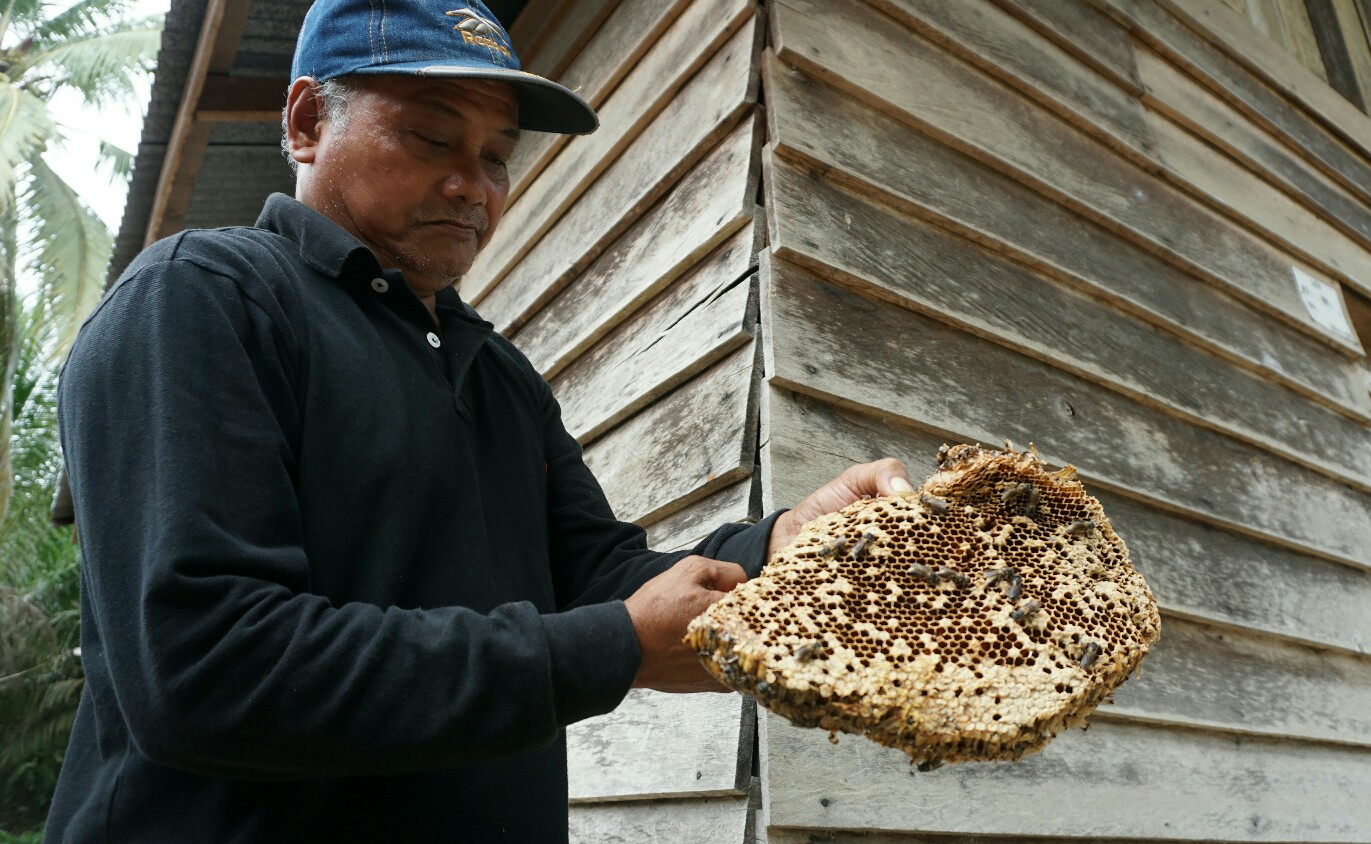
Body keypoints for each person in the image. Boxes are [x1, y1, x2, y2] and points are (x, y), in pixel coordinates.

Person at [46, 1, 914, 840]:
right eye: (431, 136)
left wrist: (782, 548)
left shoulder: (494, 373)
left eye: (498, 157)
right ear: (308, 121)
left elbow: (596, 574)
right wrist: (610, 648)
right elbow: (206, 666)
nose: (472, 187)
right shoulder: (203, 298)